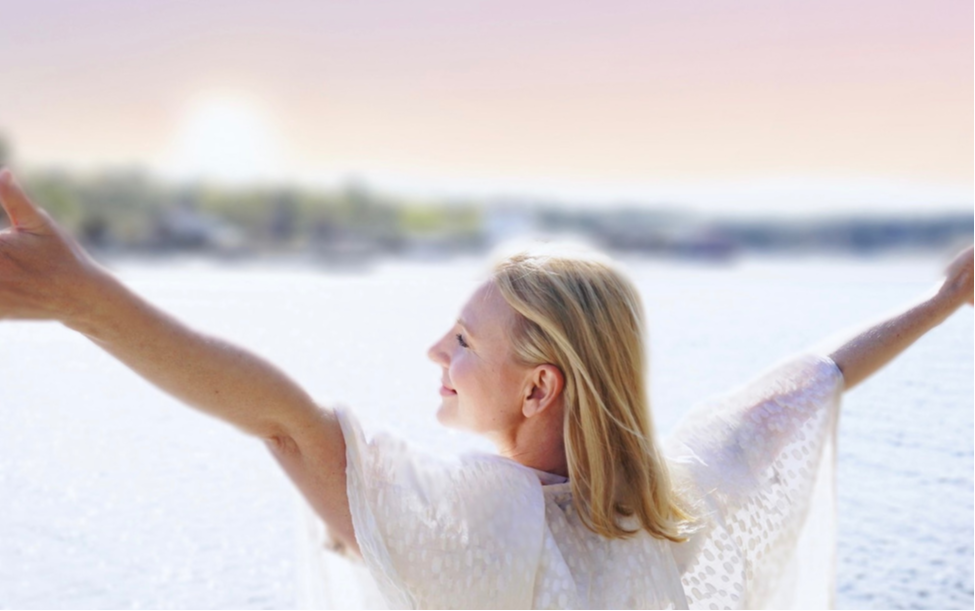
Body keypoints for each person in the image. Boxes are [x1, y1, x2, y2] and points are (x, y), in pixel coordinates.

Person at [0, 167, 972, 610]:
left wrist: (87, 301)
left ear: (541, 384)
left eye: (463, 338)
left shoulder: (491, 530)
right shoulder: (675, 504)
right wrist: (942, 300)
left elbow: (283, 422)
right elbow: (819, 375)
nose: (435, 351)